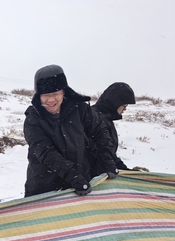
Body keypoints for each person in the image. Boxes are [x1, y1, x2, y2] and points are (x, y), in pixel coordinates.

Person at [23, 64, 118, 197]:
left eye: (55, 94)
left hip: (81, 182)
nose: (50, 100)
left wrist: (107, 159)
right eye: (45, 95)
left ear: (64, 92)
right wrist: (72, 176)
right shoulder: (33, 120)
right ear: (38, 96)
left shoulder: (80, 109)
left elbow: (100, 133)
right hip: (45, 186)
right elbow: (46, 152)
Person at [90, 82, 148, 175]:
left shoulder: (106, 119)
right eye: (124, 105)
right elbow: (98, 152)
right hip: (92, 177)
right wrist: (110, 168)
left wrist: (125, 170)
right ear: (115, 102)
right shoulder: (95, 118)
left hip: (101, 173)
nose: (125, 109)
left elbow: (109, 153)